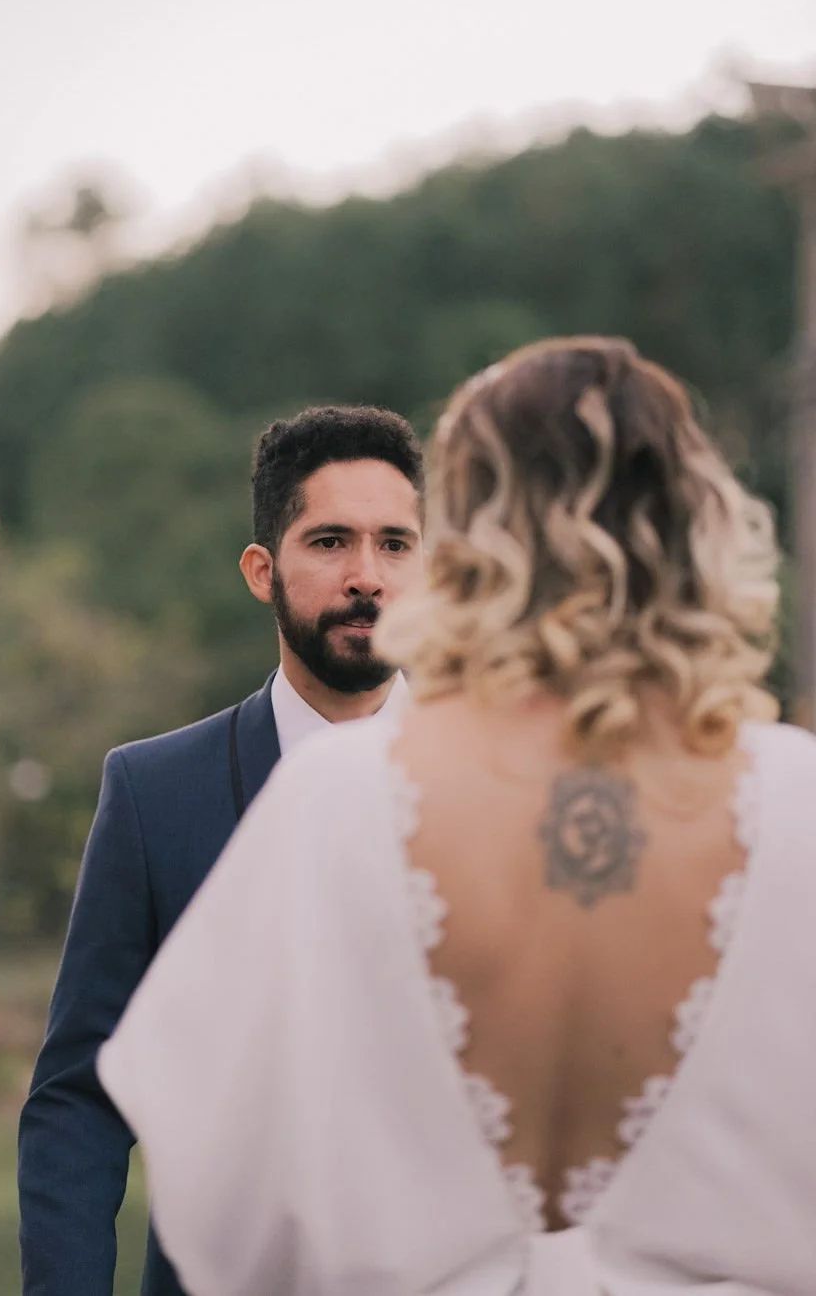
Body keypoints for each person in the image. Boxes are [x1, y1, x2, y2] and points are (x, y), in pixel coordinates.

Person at [98, 337, 816, 1295]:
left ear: (468, 542)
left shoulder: (333, 803)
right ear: (697, 525)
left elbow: (230, 1223)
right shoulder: (799, 802)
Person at [18, 404, 425, 1296]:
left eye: (396, 544)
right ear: (261, 569)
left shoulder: (506, 786)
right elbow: (81, 1098)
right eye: (330, 542)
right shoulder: (153, 793)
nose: (368, 576)